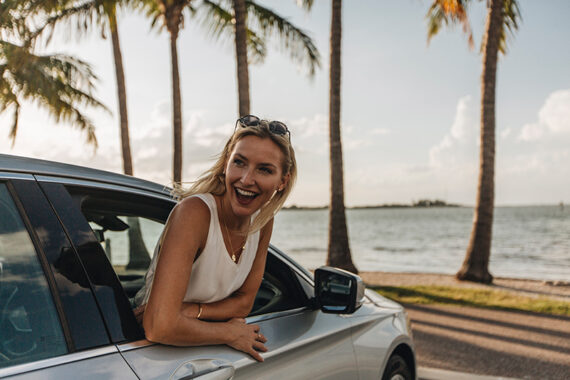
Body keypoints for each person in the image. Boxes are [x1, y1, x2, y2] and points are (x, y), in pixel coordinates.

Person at [134, 115, 296, 362]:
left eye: (264, 169)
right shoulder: (195, 214)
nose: (246, 179)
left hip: (195, 355)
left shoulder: (263, 222)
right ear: (225, 165)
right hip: (146, 354)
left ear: (282, 181)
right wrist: (228, 333)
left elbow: (243, 303)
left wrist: (191, 311)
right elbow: (159, 327)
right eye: (239, 163)